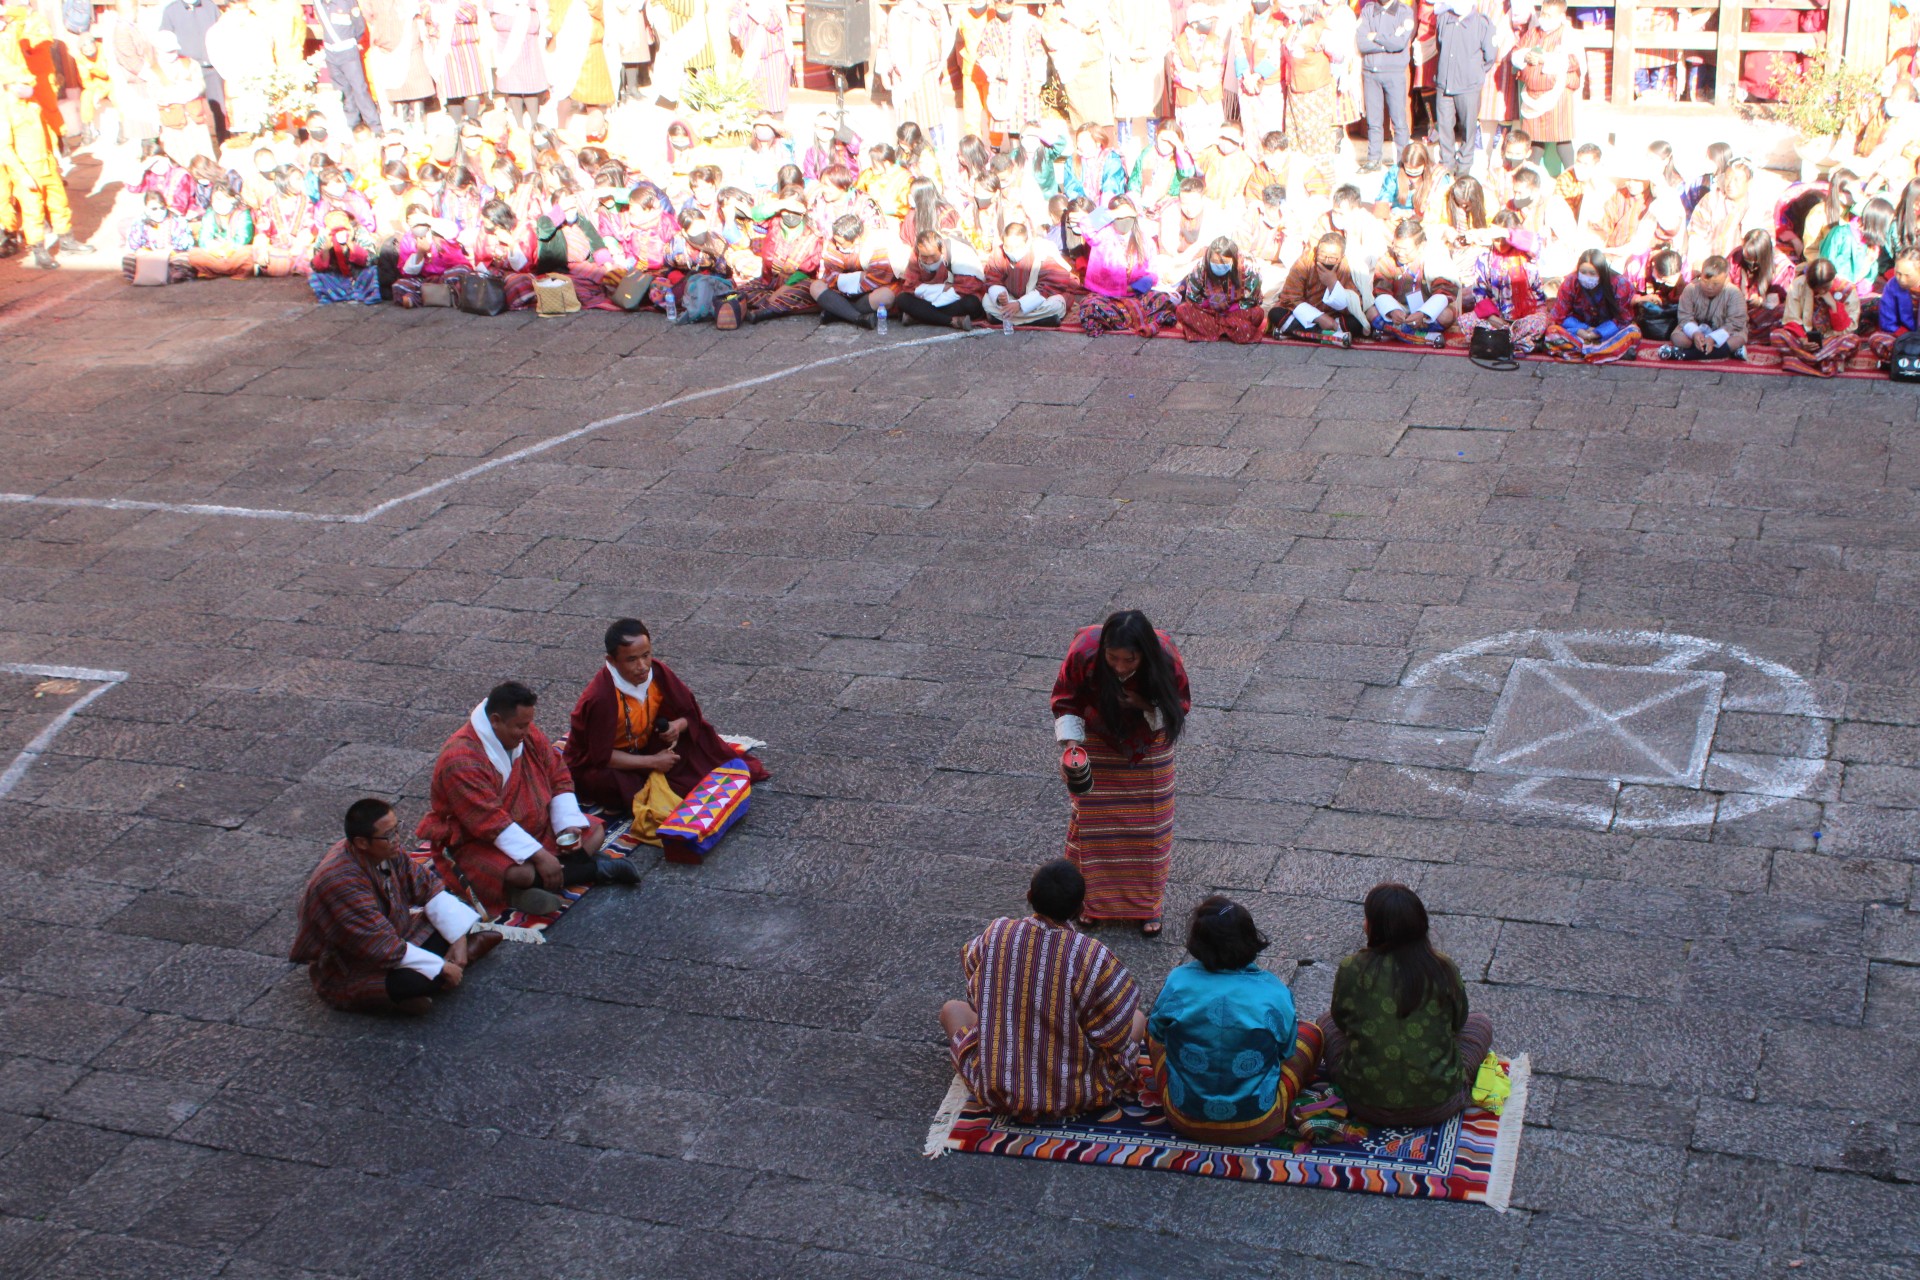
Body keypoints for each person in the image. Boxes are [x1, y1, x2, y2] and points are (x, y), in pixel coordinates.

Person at [939, 859, 1146, 1121]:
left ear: (1029, 897)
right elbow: (1113, 1032)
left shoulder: (997, 933)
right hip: (1076, 1093)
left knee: (951, 1010)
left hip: (1000, 1092)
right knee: (1137, 1018)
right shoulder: (1090, 954)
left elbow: (974, 990)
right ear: (1079, 908)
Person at [419, 680, 633, 918]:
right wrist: (540, 856)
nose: (526, 731)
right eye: (520, 726)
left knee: (594, 833)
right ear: (496, 721)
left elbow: (558, 774)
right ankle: (587, 870)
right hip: (478, 840)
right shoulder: (461, 761)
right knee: (520, 873)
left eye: (528, 723)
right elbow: (489, 822)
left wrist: (567, 826)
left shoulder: (526, 733)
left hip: (535, 825)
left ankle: (555, 875)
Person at [291, 797, 503, 1014]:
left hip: (396, 933)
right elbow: (379, 945)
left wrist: (457, 939)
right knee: (417, 980)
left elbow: (427, 886)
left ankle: (462, 953)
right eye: (389, 835)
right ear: (362, 843)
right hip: (355, 962)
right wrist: (440, 967)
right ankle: (389, 998)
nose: (397, 839)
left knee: (455, 916)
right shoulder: (340, 883)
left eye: (397, 829)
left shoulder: (385, 850)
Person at [1050, 610, 1189, 935]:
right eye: (1113, 658)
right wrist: (1072, 747)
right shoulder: (1083, 652)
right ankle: (1092, 902)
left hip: (1149, 740)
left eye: (1130, 660)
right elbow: (1066, 701)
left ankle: (1148, 906)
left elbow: (1178, 707)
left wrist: (1142, 703)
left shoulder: (1165, 659)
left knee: (1151, 829)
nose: (1120, 667)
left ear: (1144, 653)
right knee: (1095, 824)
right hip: (1097, 735)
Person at [1317, 883, 1495, 1127]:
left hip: (1362, 1102)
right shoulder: (1443, 967)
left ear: (1375, 927)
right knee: (1480, 1024)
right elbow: (1459, 1021)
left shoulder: (1352, 967)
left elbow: (1340, 1021)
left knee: (1324, 1021)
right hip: (1439, 1104)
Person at [1148, 896, 1323, 1144]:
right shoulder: (1273, 992)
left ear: (1197, 943)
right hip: (1259, 1122)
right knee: (1312, 1033)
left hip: (1183, 1117)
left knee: (1155, 1030)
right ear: (1250, 938)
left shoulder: (1178, 982)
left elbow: (1157, 1032)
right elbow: (1285, 1051)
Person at [565, 617, 769, 818]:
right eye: (631, 660)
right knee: (609, 783)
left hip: (645, 744)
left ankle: (655, 784)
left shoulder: (657, 672)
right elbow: (601, 757)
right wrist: (653, 762)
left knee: (698, 741)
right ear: (611, 661)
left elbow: (689, 714)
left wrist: (676, 726)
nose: (642, 666)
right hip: (608, 761)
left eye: (646, 655)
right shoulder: (600, 698)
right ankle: (644, 789)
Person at [0, 3, 90, 269]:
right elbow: (5, 149)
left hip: (46, 164)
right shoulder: (7, 112)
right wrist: (23, 175)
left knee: (59, 202)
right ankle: (36, 247)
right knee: (32, 209)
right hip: (27, 169)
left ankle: (68, 239)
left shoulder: (34, 106)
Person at [1510, 0, 1578, 172]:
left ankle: (1573, 176)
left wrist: (1544, 59)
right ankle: (1530, 177)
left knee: (1562, 140)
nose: (1544, 18)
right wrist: (1527, 56)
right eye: (1543, 14)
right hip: (1533, 94)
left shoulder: (1568, 34)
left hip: (1557, 94)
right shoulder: (1533, 32)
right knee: (1534, 140)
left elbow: (1573, 62)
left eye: (1549, 15)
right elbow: (1516, 52)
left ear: (1561, 16)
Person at [1542, 245, 1640, 363]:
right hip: (1579, 331)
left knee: (1633, 331)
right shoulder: (1571, 282)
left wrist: (1597, 333)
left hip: (1609, 332)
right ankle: (1610, 352)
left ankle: (1586, 352)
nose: (1587, 277)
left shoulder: (1620, 284)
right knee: (1552, 332)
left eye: (1592, 273)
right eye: (1583, 272)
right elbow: (1559, 315)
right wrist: (1582, 330)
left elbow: (1623, 319)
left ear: (1602, 272)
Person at [1272, 231, 1371, 346]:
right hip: (1305, 317)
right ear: (1316, 251)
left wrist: (1332, 284)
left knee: (1356, 323)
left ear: (1341, 257)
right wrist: (1318, 317)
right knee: (1276, 314)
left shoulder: (1347, 268)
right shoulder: (1304, 262)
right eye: (1322, 255)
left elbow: (1354, 303)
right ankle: (1330, 336)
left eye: (1333, 258)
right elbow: (1290, 297)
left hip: (1335, 318)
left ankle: (1295, 333)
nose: (1326, 261)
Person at [1433, 0, 1497, 177]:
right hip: (1445, 83)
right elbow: (1440, 45)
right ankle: (1447, 164)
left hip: (1468, 85)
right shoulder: (1444, 19)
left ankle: (1464, 166)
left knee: (1468, 127)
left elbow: (1490, 56)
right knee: (1444, 126)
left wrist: (1473, 73)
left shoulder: (1482, 24)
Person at [1771, 256, 1861, 379]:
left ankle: (1802, 361)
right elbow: (1791, 318)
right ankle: (1824, 362)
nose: (1821, 291)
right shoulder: (1799, 284)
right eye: (1817, 289)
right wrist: (1803, 340)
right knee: (1776, 336)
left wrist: (1833, 305)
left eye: (1825, 287)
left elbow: (1848, 328)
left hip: (1833, 340)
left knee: (1852, 340)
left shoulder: (1847, 289)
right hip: (1806, 340)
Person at [981, 220, 1076, 326]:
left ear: (1026, 243)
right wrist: (999, 295)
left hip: (1038, 301)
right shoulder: (999, 253)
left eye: (1016, 247)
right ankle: (1039, 321)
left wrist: (1020, 304)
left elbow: (1049, 287)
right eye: (1008, 247)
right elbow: (992, 278)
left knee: (1056, 305)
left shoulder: (1042, 251)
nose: (1011, 251)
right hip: (1011, 299)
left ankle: (1005, 319)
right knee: (986, 301)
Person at [1357, 0, 1414, 173]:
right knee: (1373, 121)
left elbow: (1399, 43)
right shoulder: (1368, 10)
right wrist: (1387, 41)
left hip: (1394, 73)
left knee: (1399, 121)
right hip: (1371, 73)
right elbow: (1361, 42)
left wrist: (1375, 36)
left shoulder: (1404, 11)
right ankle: (1374, 158)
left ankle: (1402, 160)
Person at [1173, 235, 1264, 343]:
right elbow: (1192, 296)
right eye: (1215, 262)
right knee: (1183, 310)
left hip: (1237, 311)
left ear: (1233, 259)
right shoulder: (1201, 267)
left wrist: (1231, 308)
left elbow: (1252, 299)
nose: (1219, 265)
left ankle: (1213, 328)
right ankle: (1232, 328)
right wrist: (1209, 304)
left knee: (1257, 313)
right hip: (1209, 311)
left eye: (1224, 262)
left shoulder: (1248, 266)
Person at [1659, 253, 1748, 362]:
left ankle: (1684, 355)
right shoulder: (1691, 289)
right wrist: (1695, 333)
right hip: (1696, 331)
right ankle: (1727, 352)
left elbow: (1735, 323)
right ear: (1701, 275)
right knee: (1678, 338)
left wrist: (1713, 338)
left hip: (1724, 331)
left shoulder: (1734, 293)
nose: (1709, 287)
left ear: (1725, 279)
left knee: (1738, 339)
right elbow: (1685, 317)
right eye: (1705, 282)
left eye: (1715, 284)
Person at [895, 228, 988, 329]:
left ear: (942, 249)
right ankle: (951, 321)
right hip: (930, 297)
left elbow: (969, 287)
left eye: (933, 256)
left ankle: (919, 316)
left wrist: (938, 299)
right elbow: (910, 286)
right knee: (902, 299)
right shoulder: (916, 254)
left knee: (972, 304)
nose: (929, 261)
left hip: (956, 297)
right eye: (924, 257)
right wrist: (941, 288)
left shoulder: (961, 253)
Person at [316, 0, 383, 133]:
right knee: (343, 92)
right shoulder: (319, 3)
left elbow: (359, 27)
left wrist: (350, 43)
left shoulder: (347, 2)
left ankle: (375, 127)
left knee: (359, 89)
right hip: (331, 53)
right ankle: (353, 126)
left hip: (348, 50)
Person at [1868, 246, 1920, 368]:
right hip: (1902, 337)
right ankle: (1911, 360)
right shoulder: (1892, 285)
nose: (1901, 279)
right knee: (1876, 340)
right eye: (1898, 273)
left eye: (1907, 275)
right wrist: (1905, 337)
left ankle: (1902, 361)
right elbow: (1888, 321)